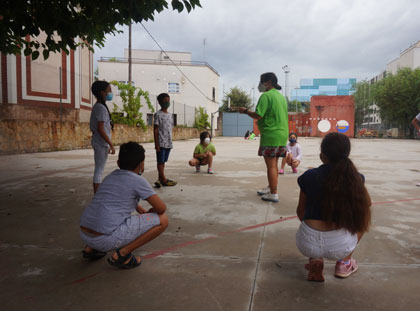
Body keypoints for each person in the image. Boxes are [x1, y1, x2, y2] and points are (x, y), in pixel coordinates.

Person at [79, 142, 168, 269]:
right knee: (163, 220)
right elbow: (161, 208)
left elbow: (112, 199)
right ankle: (122, 255)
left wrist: (137, 207)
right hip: (105, 240)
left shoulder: (110, 177)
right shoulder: (138, 181)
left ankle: (91, 249)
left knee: (102, 215)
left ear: (118, 163)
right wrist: (150, 212)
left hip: (84, 234)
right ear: (141, 165)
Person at [295, 133, 371, 282]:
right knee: (364, 214)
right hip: (340, 246)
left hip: (306, 243)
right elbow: (367, 204)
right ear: (347, 155)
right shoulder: (356, 178)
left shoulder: (309, 176)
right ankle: (344, 263)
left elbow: (300, 212)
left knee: (311, 219)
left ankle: (315, 257)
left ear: (322, 156)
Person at [238, 72, 288, 203]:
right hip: (282, 134)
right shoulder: (281, 97)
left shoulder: (266, 96)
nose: (260, 85)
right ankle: (271, 187)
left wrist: (244, 111)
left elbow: (258, 115)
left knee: (271, 166)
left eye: (262, 82)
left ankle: (274, 193)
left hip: (271, 134)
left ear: (268, 82)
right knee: (274, 164)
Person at [90, 80, 115, 193]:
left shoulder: (100, 106)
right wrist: (110, 143)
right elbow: (100, 128)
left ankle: (98, 194)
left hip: (100, 142)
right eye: (109, 90)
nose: (110, 92)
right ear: (102, 92)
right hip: (101, 143)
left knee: (100, 169)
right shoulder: (100, 108)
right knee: (99, 170)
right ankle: (97, 196)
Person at [154, 93, 177, 187]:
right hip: (161, 142)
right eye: (165, 100)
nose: (167, 102)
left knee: (163, 162)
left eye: (168, 100)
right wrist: (156, 144)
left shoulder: (170, 115)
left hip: (168, 142)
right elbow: (155, 129)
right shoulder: (157, 114)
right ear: (159, 102)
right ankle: (164, 180)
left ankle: (160, 179)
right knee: (160, 162)